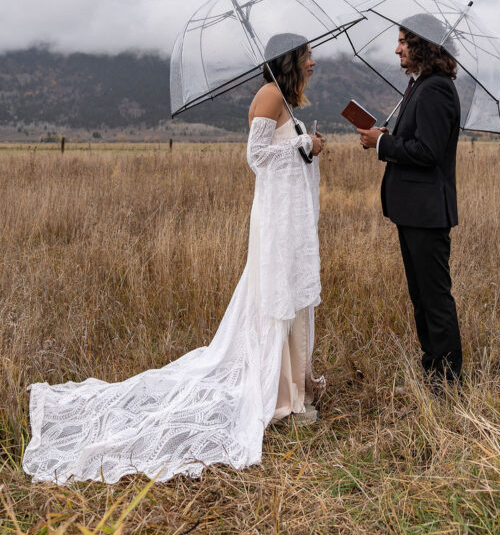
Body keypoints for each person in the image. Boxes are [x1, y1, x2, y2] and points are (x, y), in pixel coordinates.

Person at [23, 35, 325, 484]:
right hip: (275, 221)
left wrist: (308, 144)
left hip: (288, 219)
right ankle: (280, 399)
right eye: (307, 55)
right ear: (291, 60)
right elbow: (256, 156)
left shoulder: (284, 100)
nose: (314, 62)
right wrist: (306, 148)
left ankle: (293, 390)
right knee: (273, 297)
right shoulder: (268, 95)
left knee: (287, 295)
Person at [358, 18, 462, 384]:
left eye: (403, 42)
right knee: (421, 295)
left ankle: (447, 382)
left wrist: (382, 144)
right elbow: (418, 140)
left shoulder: (436, 89)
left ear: (423, 47)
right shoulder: (420, 86)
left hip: (427, 213)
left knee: (434, 298)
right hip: (414, 211)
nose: (397, 49)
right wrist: (389, 135)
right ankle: (433, 368)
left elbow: (429, 151)